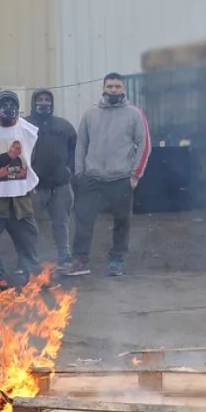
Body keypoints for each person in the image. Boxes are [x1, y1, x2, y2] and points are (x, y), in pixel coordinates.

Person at [68, 73, 151, 278]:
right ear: (103, 89)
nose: (113, 90)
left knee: (122, 223)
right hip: (92, 178)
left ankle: (116, 261)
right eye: (110, 86)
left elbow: (144, 144)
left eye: (117, 86)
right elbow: (81, 144)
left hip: (121, 179)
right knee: (83, 221)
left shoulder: (135, 114)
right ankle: (80, 261)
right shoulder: (90, 114)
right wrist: (79, 172)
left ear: (124, 89)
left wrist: (135, 176)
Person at [0, 91, 42, 289]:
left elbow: (31, 156)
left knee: (28, 235)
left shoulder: (27, 129)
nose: (8, 108)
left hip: (20, 195)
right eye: (3, 104)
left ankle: (33, 272)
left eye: (12, 103)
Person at [29, 89, 77, 269]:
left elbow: (75, 150)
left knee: (61, 223)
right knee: (29, 224)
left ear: (52, 102)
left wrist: (69, 171)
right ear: (33, 102)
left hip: (60, 185)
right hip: (34, 186)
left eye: (47, 100)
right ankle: (29, 258)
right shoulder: (25, 124)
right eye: (40, 99)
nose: (43, 103)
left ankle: (64, 256)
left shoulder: (64, 126)